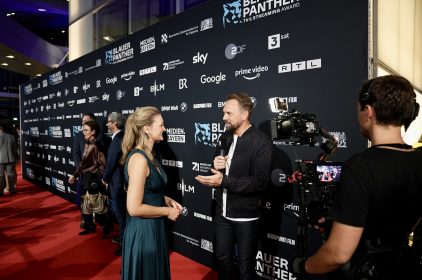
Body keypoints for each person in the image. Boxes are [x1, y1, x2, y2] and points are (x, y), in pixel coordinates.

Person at [293, 75, 422, 279]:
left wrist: (302, 266)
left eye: (358, 109)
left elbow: (337, 254)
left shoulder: (361, 166)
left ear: (368, 112)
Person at [195, 93, 272, 280]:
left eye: (229, 113)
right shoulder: (224, 138)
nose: (223, 117)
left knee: (246, 267)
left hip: (247, 217)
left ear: (244, 114)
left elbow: (259, 182)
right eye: (223, 113)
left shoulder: (261, 141)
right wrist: (216, 167)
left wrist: (224, 181)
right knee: (223, 260)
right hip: (223, 215)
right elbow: (217, 172)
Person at [120, 106, 183, 280]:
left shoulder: (150, 155)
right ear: (147, 129)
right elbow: (133, 208)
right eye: (161, 125)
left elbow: (148, 191)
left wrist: (167, 200)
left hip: (154, 227)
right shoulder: (140, 159)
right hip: (143, 231)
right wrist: (167, 211)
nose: (164, 129)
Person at [68, 120, 112, 237]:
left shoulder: (93, 145)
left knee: (97, 205)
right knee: (84, 202)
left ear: (93, 132)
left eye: (86, 130)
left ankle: (106, 226)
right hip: (87, 177)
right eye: (83, 130)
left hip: (94, 179)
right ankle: (90, 226)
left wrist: (75, 175)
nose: (83, 132)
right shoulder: (89, 143)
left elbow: (84, 163)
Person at [101, 112, 126, 256]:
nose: (106, 124)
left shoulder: (117, 140)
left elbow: (111, 162)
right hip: (119, 182)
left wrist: (105, 178)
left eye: (109, 121)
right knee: (122, 214)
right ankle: (123, 238)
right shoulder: (121, 137)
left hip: (117, 183)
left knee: (122, 216)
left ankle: (123, 244)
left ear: (115, 123)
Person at [0, 123, 17, 196]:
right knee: (11, 174)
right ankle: (12, 190)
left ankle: (0, 192)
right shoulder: (11, 136)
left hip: (0, 160)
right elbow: (15, 149)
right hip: (11, 158)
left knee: (0, 176)